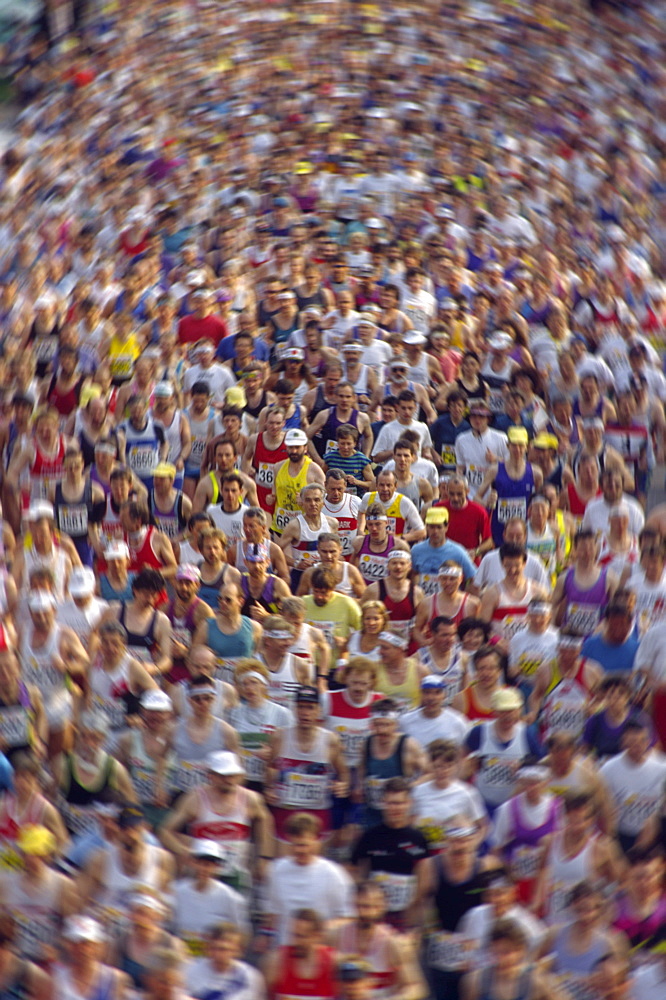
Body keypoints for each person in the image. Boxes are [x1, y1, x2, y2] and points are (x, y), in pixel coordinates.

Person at [160, 749, 272, 892]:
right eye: (223, 776)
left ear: (240, 775)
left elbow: (265, 824)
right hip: (202, 875)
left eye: (232, 775)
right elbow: (164, 831)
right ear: (210, 776)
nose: (228, 780)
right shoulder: (195, 798)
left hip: (235, 875)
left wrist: (263, 858)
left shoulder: (251, 799)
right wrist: (185, 852)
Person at [261, 812, 355, 945]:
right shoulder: (275, 870)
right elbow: (272, 913)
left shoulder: (334, 874)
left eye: (304, 845)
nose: (300, 851)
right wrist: (265, 934)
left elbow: (349, 916)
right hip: (285, 949)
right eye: (295, 845)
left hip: (319, 950)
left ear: (316, 841)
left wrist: (323, 928)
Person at [351, 777, 429, 932]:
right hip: (375, 914)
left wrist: (414, 912)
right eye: (391, 803)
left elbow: (423, 878)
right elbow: (357, 874)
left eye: (400, 803)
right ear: (383, 803)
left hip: (404, 914)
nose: (395, 808)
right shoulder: (369, 836)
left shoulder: (418, 838)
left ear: (409, 803)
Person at [329, 882, 427, 1000]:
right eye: (358, 906)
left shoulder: (393, 943)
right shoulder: (337, 935)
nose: (362, 913)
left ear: (380, 908)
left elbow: (417, 987)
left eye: (367, 907)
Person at [599, 716, 666, 854]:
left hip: (656, 836)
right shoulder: (608, 769)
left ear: (648, 741)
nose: (637, 746)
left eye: (642, 741)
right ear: (624, 741)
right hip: (623, 836)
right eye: (632, 742)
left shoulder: (662, 767)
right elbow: (603, 805)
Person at [410, 739, 487, 853]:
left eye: (448, 766)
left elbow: (483, 827)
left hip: (454, 854)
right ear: (431, 765)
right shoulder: (417, 792)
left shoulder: (467, 792)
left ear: (455, 766)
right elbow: (409, 824)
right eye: (438, 766)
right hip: (424, 853)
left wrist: (471, 847)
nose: (443, 771)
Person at [357, 698, 423, 829]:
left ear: (395, 724)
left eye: (386, 725)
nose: (381, 730)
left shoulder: (408, 745)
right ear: (371, 724)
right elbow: (362, 770)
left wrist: (410, 786)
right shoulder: (366, 744)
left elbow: (430, 773)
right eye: (377, 725)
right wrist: (359, 786)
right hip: (372, 815)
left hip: (400, 817)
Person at [461, 919, 560, 1000]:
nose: (501, 959)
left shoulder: (538, 982)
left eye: (506, 952)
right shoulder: (475, 982)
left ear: (521, 951)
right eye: (495, 952)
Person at [477, 426, 542, 547]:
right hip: (499, 528)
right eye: (514, 445)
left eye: (521, 445)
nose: (517, 449)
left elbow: (540, 501)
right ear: (508, 446)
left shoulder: (536, 473)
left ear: (527, 447)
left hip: (524, 530)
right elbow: (476, 498)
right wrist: (486, 502)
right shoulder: (495, 470)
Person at [479, 543, 550, 645]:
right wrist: (500, 643)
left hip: (531, 649)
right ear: (502, 564)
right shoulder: (492, 594)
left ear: (524, 563)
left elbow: (547, 623)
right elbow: (483, 628)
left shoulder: (538, 591)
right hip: (501, 650)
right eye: (508, 565)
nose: (512, 570)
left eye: (517, 565)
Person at [552, 529, 618, 638]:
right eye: (583, 547)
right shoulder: (564, 578)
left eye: (591, 547)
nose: (587, 552)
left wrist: (603, 627)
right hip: (571, 641)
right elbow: (551, 606)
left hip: (597, 640)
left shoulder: (610, 578)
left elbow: (616, 611)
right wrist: (555, 630)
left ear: (597, 548)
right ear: (575, 549)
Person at [278, 482, 338, 589]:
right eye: (308, 500)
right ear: (302, 503)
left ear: (323, 502)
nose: (313, 504)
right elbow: (276, 553)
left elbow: (337, 551)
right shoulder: (294, 526)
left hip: (325, 575)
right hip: (300, 575)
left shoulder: (332, 523)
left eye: (316, 500)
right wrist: (296, 563)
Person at [471, 518, 551, 596]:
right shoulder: (489, 559)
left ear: (525, 537)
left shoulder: (535, 561)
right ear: (504, 535)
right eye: (510, 536)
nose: (514, 540)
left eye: (518, 537)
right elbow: (476, 588)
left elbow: (545, 592)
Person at [186, 922, 264, 1000]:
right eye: (213, 948)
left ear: (238, 951)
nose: (216, 954)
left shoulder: (250, 977)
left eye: (223, 949)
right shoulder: (189, 971)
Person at [411, 506, 477, 598]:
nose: (435, 531)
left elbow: (474, 577)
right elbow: (412, 574)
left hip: (450, 604)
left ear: (446, 527)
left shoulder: (458, 551)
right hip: (424, 603)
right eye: (431, 527)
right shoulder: (416, 550)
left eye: (439, 527)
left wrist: (464, 599)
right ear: (426, 527)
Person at [270, 428, 325, 537]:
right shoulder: (278, 467)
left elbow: (324, 501)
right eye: (291, 447)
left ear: (305, 448)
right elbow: (274, 493)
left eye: (297, 447)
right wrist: (270, 498)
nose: (294, 451)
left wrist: (306, 501)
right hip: (281, 527)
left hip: (305, 529)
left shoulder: (314, 470)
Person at [454, 399, 508, 501]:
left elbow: (512, 465)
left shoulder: (501, 438)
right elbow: (460, 466)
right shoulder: (461, 439)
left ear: (488, 419)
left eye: (481, 416)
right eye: (474, 416)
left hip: (493, 491)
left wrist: (496, 459)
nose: (477, 420)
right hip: (470, 491)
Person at [440, 475, 493, 566]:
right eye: (452, 494)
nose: (455, 498)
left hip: (469, 562)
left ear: (467, 491)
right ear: (447, 492)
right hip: (443, 560)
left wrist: (475, 552)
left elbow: (489, 541)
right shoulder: (439, 508)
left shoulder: (479, 512)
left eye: (459, 494)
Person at [351, 502, 410, 584]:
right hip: (365, 593)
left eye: (378, 524)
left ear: (386, 523)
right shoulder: (359, 543)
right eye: (370, 524)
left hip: (388, 593)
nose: (374, 528)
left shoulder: (399, 545)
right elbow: (352, 573)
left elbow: (406, 576)